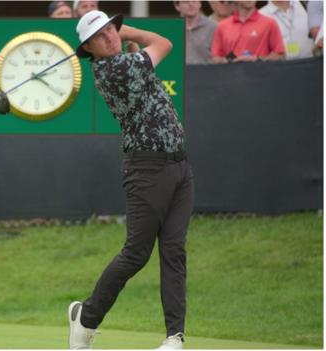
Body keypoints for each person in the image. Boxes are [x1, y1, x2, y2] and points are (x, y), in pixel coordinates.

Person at [69, 10, 193, 350]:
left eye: (110, 29)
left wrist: (119, 31)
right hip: (147, 169)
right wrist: (126, 31)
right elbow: (164, 42)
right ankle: (87, 317)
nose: (109, 37)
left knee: (173, 252)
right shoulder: (114, 69)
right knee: (136, 254)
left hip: (179, 166)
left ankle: (174, 337)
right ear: (89, 48)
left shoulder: (123, 58)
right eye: (100, 36)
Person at [211, 1, 286, 63]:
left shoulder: (270, 23)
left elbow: (280, 55)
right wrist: (225, 61)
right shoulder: (222, 26)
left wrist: (257, 59)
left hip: (261, 78)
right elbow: (215, 58)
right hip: (232, 77)